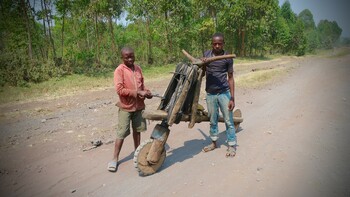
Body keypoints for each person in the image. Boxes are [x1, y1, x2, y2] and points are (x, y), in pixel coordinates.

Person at [108, 47, 152, 172]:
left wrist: (147, 92)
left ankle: (137, 154)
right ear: (122, 58)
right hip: (126, 107)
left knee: (137, 131)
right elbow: (120, 90)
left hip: (139, 107)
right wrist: (137, 92)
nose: (130, 59)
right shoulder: (119, 70)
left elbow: (142, 85)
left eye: (132, 56)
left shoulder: (138, 68)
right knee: (121, 132)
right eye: (127, 57)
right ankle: (114, 159)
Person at [201, 32, 237, 157]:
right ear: (212, 44)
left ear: (223, 44)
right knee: (213, 119)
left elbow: (231, 78)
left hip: (224, 93)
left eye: (219, 44)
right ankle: (214, 143)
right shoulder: (206, 54)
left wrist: (232, 97)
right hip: (210, 94)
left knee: (228, 120)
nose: (217, 46)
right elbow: (202, 73)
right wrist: (203, 64)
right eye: (214, 44)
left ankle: (232, 145)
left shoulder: (228, 57)